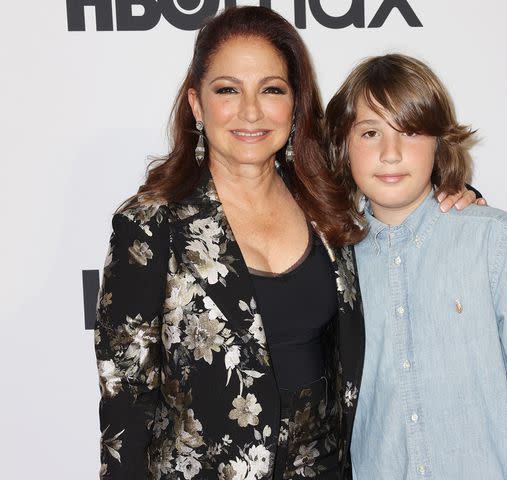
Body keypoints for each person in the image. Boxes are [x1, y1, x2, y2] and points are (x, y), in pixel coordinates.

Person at [94, 7, 479, 480]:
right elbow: (126, 404)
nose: (251, 111)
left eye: (271, 89)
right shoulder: (150, 225)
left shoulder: (328, 202)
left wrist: (461, 197)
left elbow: (405, 200)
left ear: (295, 104)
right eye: (228, 90)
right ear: (196, 104)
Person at [325, 54, 507, 479]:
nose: (390, 153)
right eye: (370, 133)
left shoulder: (497, 242)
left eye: (410, 132)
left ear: (439, 143)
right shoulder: (331, 262)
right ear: (343, 146)